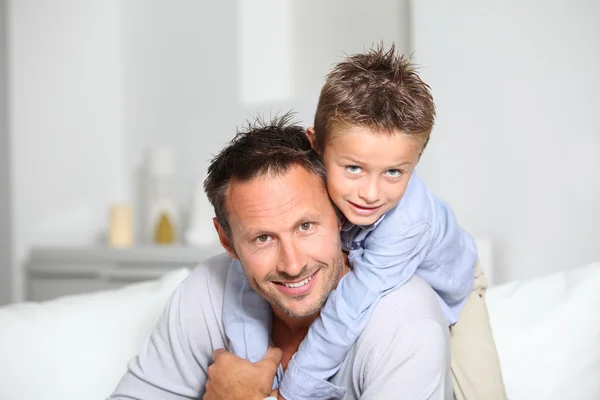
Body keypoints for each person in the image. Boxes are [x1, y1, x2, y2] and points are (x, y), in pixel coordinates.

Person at [224, 44, 507, 400]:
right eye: (353, 168)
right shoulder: (311, 192)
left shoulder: (405, 226)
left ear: (414, 163)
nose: (370, 194)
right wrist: (251, 370)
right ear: (316, 145)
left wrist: (287, 395)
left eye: (393, 172)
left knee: (482, 392)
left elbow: (347, 311)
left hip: (455, 280)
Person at [110, 116, 452, 399]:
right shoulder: (207, 291)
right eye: (263, 238)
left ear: (340, 217)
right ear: (226, 240)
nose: (292, 264)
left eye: (305, 226)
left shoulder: (404, 322)